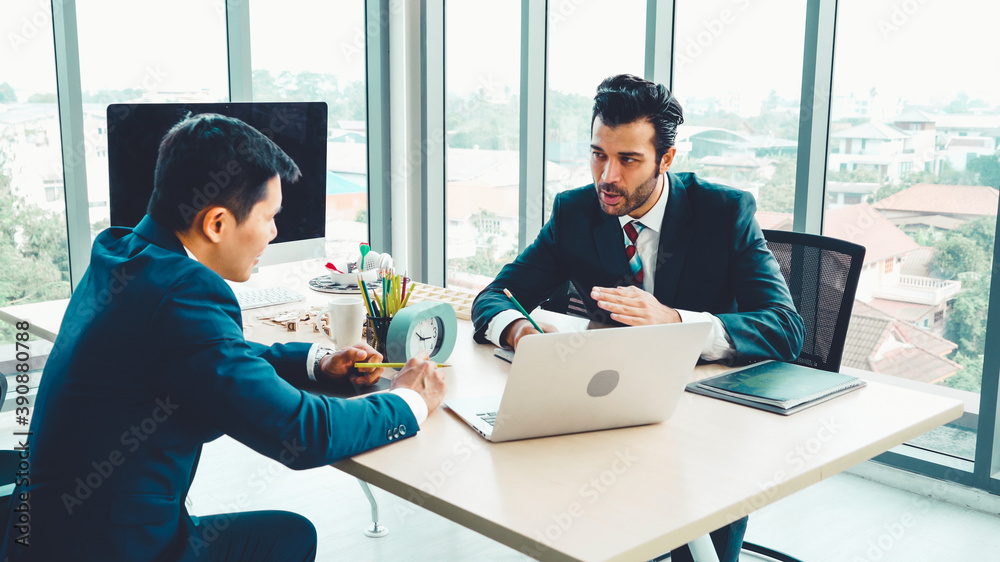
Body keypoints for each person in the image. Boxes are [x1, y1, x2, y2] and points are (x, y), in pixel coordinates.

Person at [0, 113, 446, 561]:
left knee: (287, 536)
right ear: (216, 224)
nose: (273, 233)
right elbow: (303, 433)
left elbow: (214, 356)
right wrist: (407, 400)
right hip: (115, 548)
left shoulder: (122, 252)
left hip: (49, 533)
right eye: (269, 217)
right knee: (289, 538)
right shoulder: (184, 293)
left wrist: (317, 361)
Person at [471, 74, 805, 562]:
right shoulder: (575, 213)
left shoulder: (724, 212)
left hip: (707, 426)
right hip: (610, 412)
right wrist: (521, 332)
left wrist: (674, 322)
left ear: (666, 159)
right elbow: (495, 296)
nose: (607, 175)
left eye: (628, 159)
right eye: (598, 154)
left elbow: (786, 327)